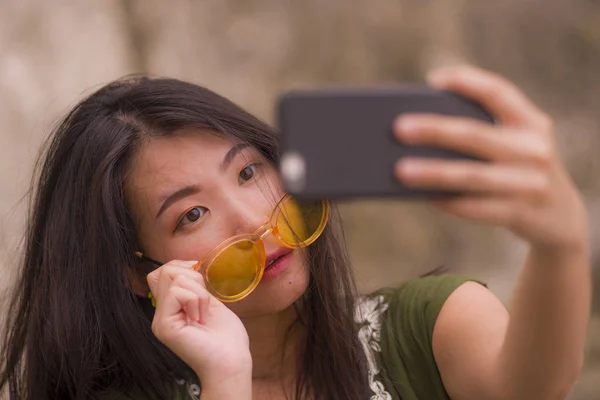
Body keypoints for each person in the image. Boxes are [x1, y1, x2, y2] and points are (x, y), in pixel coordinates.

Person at [0, 65, 590, 400]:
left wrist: (559, 243)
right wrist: (227, 379)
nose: (254, 219)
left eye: (250, 171)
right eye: (191, 215)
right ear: (141, 272)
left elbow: (531, 391)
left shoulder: (428, 325)